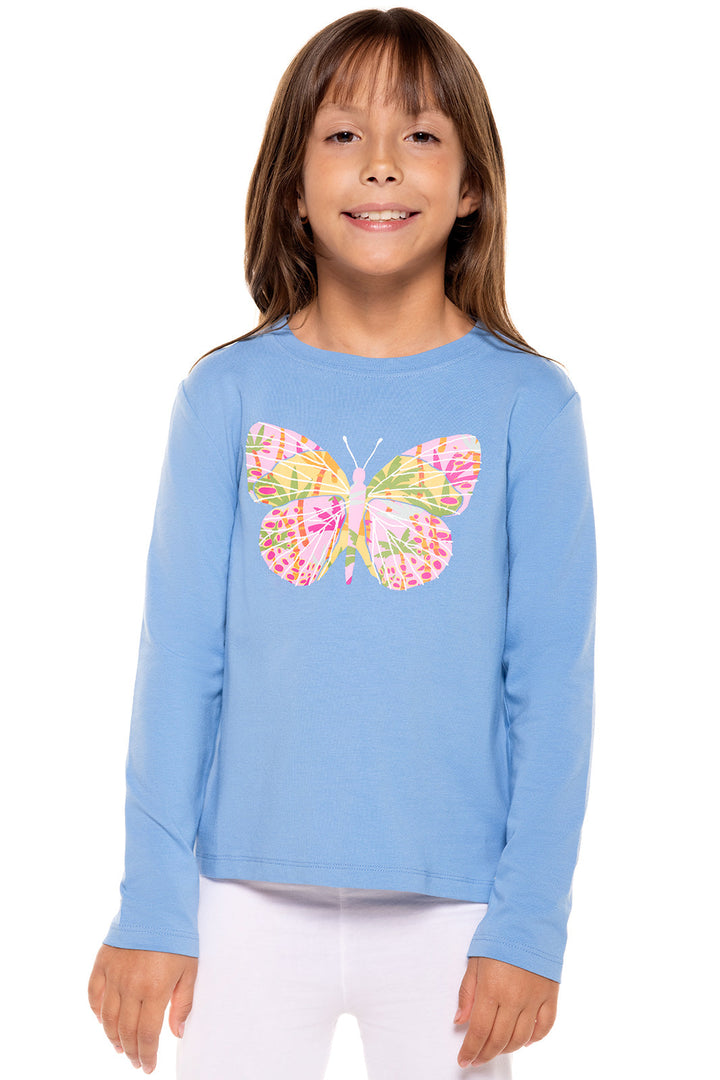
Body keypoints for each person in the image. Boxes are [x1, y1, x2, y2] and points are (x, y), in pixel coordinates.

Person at [87, 8, 597, 1079]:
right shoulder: (226, 393)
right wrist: (152, 903)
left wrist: (530, 923)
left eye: (421, 135)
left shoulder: (529, 405)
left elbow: (552, 685)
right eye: (342, 134)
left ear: (472, 186)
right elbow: (179, 662)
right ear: (292, 183)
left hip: (456, 912)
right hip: (240, 900)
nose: (380, 164)